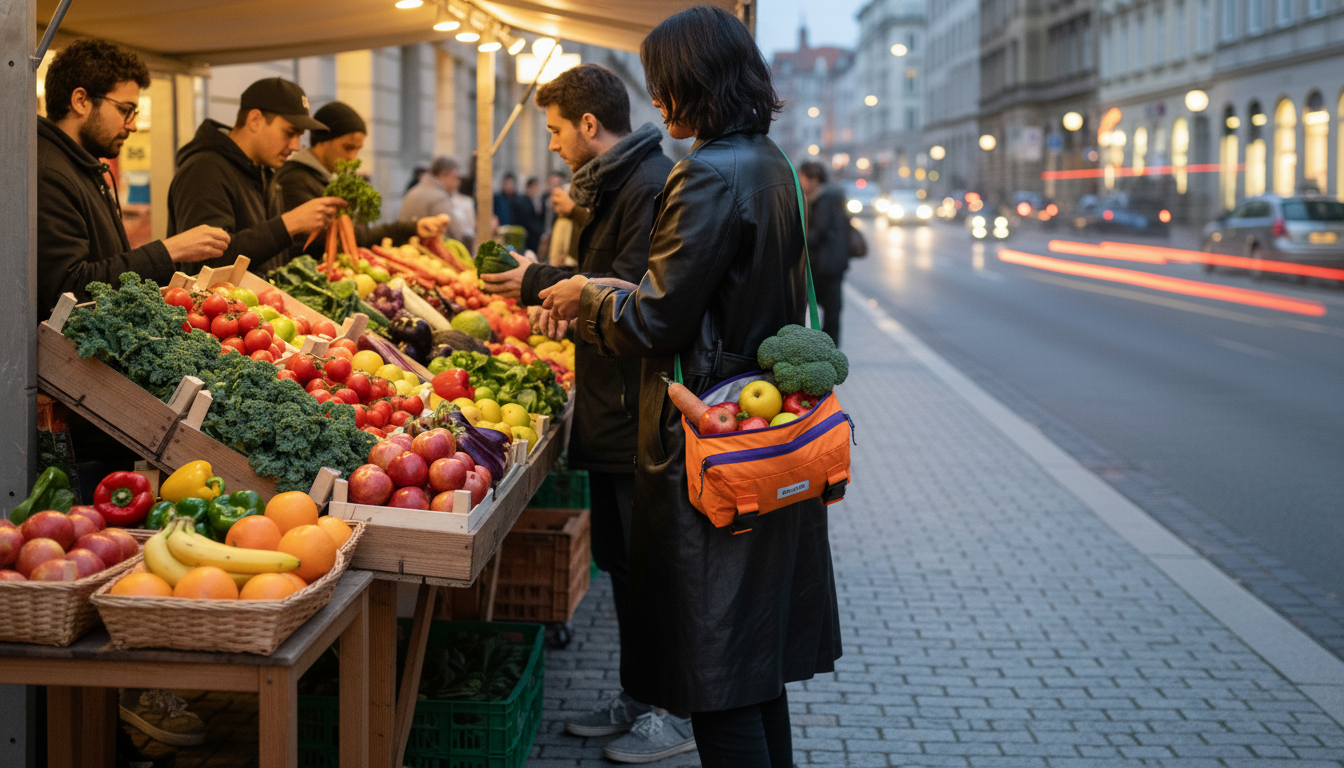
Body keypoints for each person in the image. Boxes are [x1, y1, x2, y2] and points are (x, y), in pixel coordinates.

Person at [539, 8, 841, 768]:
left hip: (705, 445)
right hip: (762, 430)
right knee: (752, 669)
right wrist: (626, 288)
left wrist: (592, 297)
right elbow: (709, 296)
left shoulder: (703, 172)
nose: (658, 100)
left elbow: (658, 324)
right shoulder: (770, 163)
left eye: (662, 83)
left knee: (715, 680)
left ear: (690, 82)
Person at [479, 62, 675, 763]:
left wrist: (542, 284)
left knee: (654, 572)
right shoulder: (620, 181)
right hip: (612, 405)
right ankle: (640, 693)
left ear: (590, 125)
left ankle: (674, 712)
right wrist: (575, 310)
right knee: (626, 565)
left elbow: (634, 295)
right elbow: (606, 294)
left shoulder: (646, 185)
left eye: (558, 130)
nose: (555, 145)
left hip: (636, 411)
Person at [37, 38, 229, 319]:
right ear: (80, 101)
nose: (134, 125)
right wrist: (169, 249)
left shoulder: (82, 164)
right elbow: (68, 289)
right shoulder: (48, 174)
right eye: (125, 109)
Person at [167, 77, 345, 274]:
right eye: (290, 133)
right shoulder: (204, 170)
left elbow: (269, 259)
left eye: (299, 136)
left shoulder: (265, 171)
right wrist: (289, 224)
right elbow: (207, 264)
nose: (295, 146)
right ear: (255, 120)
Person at [270, 101, 448, 266]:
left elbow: (360, 235)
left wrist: (414, 227)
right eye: (348, 147)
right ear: (322, 141)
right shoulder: (294, 180)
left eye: (357, 150)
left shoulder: (328, 179)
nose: (352, 157)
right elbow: (340, 239)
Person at [797, 161, 851, 345]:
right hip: (827, 265)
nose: (800, 182)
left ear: (814, 180)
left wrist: (794, 239)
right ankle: (827, 350)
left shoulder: (825, 201)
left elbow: (816, 234)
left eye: (802, 178)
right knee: (829, 311)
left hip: (826, 266)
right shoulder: (822, 199)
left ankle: (829, 352)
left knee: (830, 313)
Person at [400, 155, 476, 247]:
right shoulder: (439, 198)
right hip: (424, 253)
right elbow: (453, 233)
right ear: (444, 175)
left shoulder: (415, 190)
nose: (458, 183)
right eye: (456, 177)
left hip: (406, 248)